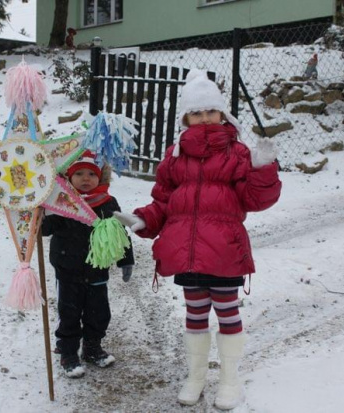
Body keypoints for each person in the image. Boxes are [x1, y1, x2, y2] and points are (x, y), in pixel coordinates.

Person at [114, 70, 281, 410]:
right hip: (187, 252)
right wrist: (145, 218)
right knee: (194, 313)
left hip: (224, 251)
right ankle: (196, 376)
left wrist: (262, 169)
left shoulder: (237, 153)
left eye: (210, 111)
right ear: (186, 118)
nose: (205, 118)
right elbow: (164, 201)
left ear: (222, 114)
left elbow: (255, 200)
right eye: (197, 113)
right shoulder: (174, 157)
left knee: (227, 311)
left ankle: (230, 381)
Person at [42, 150, 135, 378]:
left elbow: (119, 232)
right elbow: (45, 230)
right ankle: (68, 352)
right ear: (69, 177)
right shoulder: (60, 201)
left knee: (98, 313)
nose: (86, 179)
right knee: (69, 313)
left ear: (100, 177)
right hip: (67, 268)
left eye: (91, 174)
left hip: (97, 269)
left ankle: (92, 347)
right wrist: (39, 213)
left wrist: (126, 260)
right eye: (79, 174)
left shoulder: (107, 202)